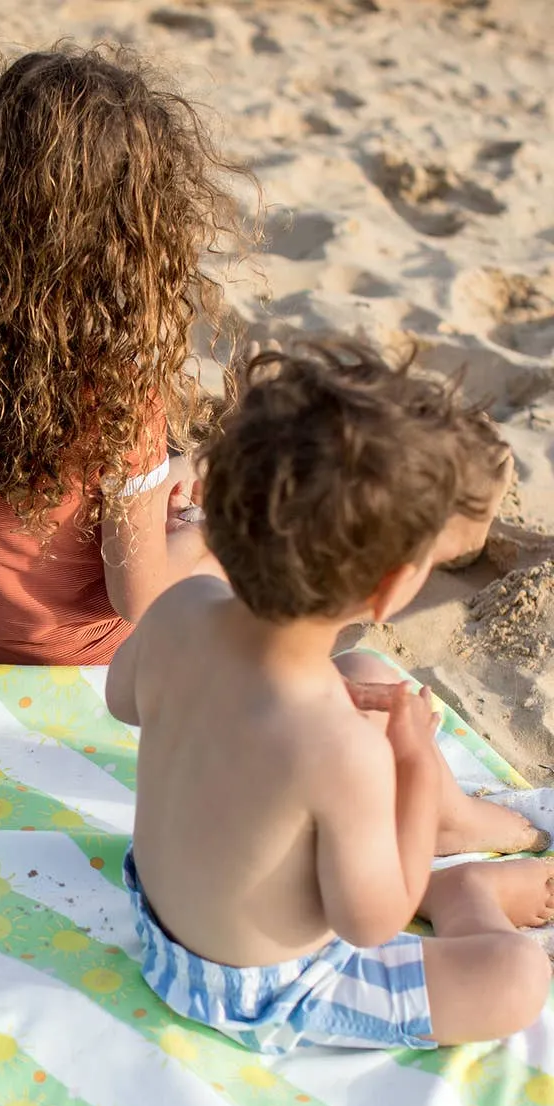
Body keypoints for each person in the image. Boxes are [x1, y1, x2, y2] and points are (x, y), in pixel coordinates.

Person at [106, 340, 552, 1054]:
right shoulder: (340, 750)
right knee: (516, 978)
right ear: (391, 590)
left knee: (369, 676)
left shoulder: (181, 609)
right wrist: (408, 765)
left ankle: (451, 830)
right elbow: (373, 924)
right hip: (255, 985)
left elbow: (123, 701)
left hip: (163, 910)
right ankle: (465, 894)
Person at [0, 45, 248, 665]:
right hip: (73, 647)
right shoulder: (117, 393)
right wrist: (198, 538)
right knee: (220, 541)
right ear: (134, 232)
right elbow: (140, 599)